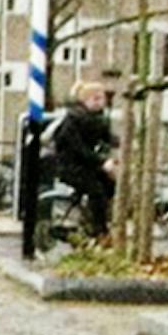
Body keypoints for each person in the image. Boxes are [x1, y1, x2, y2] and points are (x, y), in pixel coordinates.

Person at [51, 80, 117, 239]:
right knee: (96, 191)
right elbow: (78, 148)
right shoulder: (74, 120)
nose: (101, 102)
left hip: (87, 165)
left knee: (110, 184)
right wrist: (101, 161)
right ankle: (99, 230)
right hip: (71, 166)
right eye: (96, 99)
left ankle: (91, 217)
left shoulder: (98, 118)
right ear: (85, 101)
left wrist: (123, 144)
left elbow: (107, 137)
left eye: (102, 98)